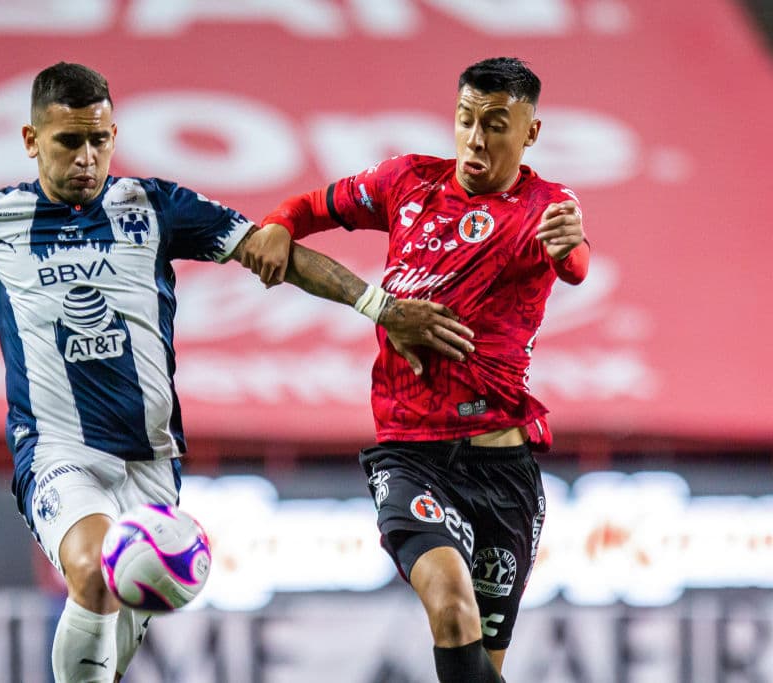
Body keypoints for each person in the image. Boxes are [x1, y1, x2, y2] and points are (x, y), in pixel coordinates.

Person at [0, 62, 475, 683]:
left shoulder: (155, 207)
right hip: (56, 446)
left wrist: (378, 305)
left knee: (118, 618)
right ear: (30, 139)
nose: (87, 157)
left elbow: (272, 252)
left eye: (99, 140)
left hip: (152, 459)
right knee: (94, 572)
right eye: (69, 141)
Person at [245, 57, 589, 682]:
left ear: (530, 134)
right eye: (465, 120)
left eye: (496, 125)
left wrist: (571, 249)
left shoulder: (547, 206)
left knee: (482, 665)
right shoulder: (408, 182)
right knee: (451, 608)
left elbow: (575, 263)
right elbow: (312, 204)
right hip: (412, 457)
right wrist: (278, 223)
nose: (476, 139)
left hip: (503, 470)